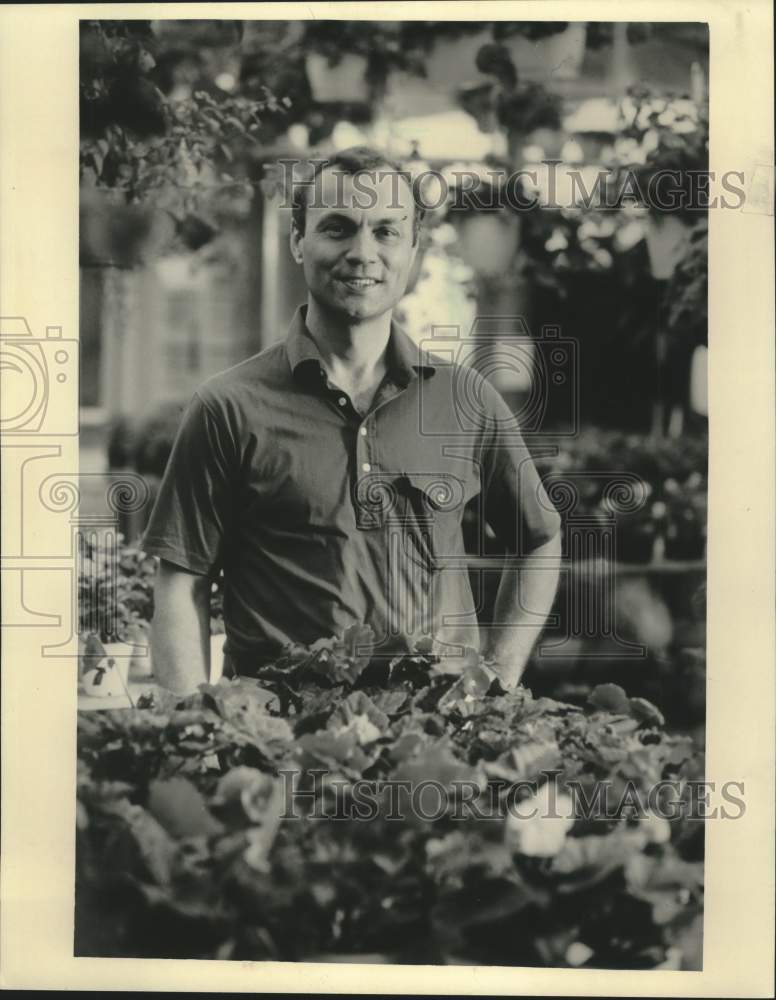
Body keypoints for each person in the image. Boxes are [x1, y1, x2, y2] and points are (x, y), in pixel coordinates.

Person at [143, 146, 562, 695]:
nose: (363, 253)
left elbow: (538, 538)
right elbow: (181, 579)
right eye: (337, 228)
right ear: (298, 241)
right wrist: (191, 727)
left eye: (387, 231)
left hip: (439, 747)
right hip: (278, 748)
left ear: (414, 248)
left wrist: (499, 678)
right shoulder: (228, 406)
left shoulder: (466, 399)